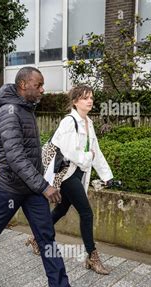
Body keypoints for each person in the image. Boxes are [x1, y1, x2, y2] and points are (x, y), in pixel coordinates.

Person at [0, 67, 91, 287]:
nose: (43, 89)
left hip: (31, 188)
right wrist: (44, 186)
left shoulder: (25, 109)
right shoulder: (9, 113)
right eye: (38, 85)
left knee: (46, 235)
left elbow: (32, 154)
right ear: (23, 85)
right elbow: (15, 157)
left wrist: (41, 184)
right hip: (8, 187)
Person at [48, 85, 114, 274]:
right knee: (86, 213)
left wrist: (107, 176)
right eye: (85, 98)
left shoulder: (89, 123)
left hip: (80, 174)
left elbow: (97, 152)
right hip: (68, 174)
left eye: (91, 97)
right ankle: (92, 257)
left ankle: (37, 237)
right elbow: (70, 152)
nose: (90, 101)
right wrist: (88, 156)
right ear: (76, 101)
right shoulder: (69, 122)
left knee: (62, 208)